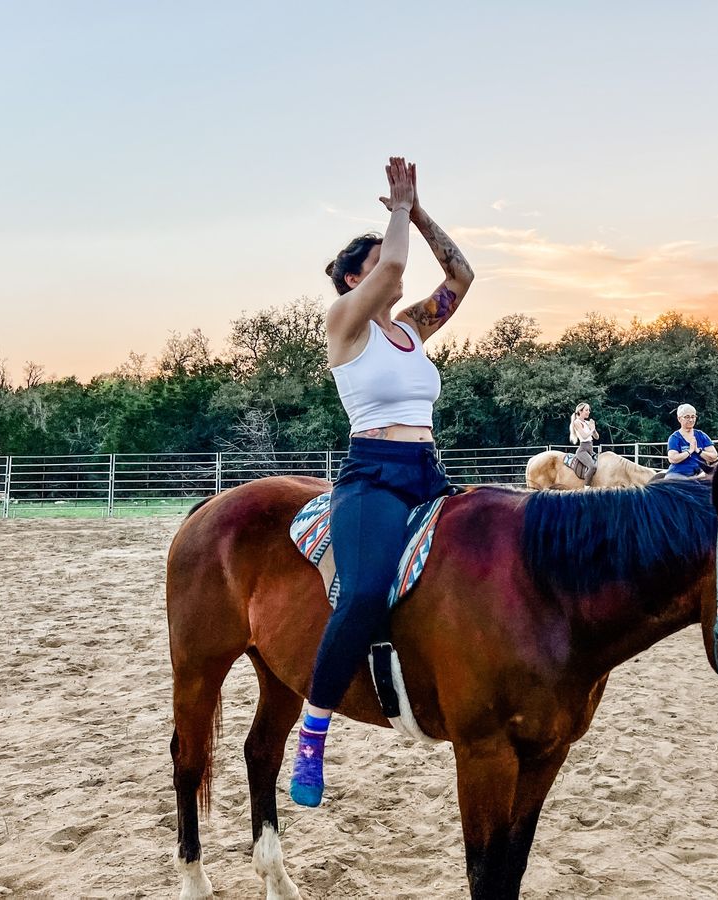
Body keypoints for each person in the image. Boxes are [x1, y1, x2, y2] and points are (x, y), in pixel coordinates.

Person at [291, 157, 474, 807]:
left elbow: (462, 275)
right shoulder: (344, 324)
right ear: (350, 278)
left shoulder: (410, 328)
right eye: (372, 261)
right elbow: (395, 267)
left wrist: (419, 214)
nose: (390, 269)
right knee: (365, 591)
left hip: (428, 472)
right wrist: (396, 207)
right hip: (373, 477)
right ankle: (313, 732)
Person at [664, 403, 718, 479]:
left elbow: (714, 456)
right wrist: (689, 451)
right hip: (678, 473)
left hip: (700, 473)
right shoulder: (674, 437)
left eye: (693, 417)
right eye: (687, 417)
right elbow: (673, 459)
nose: (691, 420)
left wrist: (698, 450)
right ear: (679, 419)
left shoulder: (701, 435)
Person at [568, 401, 600, 486]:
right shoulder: (577, 422)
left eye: (589, 410)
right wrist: (591, 429)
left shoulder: (586, 423)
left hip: (590, 449)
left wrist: (594, 428)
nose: (588, 412)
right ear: (580, 411)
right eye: (586, 410)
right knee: (592, 467)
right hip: (583, 450)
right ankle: (586, 488)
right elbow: (584, 436)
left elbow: (597, 437)